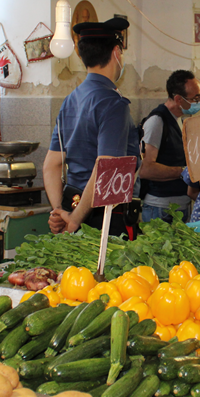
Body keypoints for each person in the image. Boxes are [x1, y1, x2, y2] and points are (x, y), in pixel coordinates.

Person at [43, 17, 141, 239]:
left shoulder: (70, 101)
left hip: (74, 209)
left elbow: (51, 165)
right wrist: (74, 219)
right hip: (106, 221)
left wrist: (62, 211)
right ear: (116, 52)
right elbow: (105, 169)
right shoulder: (113, 103)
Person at [138, 70, 200, 223]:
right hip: (161, 210)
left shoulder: (179, 120)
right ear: (179, 99)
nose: (199, 101)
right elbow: (145, 169)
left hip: (178, 206)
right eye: (195, 98)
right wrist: (184, 171)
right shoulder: (157, 122)